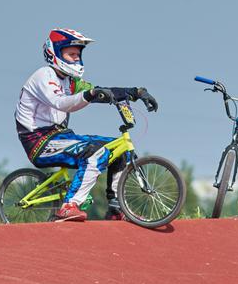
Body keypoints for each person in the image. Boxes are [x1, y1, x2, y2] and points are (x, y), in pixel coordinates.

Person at [15, 28, 158, 222]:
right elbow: (61, 103)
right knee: (94, 153)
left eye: (77, 55)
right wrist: (89, 96)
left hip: (61, 135)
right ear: (54, 53)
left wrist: (135, 92)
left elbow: (99, 91)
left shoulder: (71, 81)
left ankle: (117, 208)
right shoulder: (44, 76)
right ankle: (68, 206)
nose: (75, 59)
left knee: (119, 149)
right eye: (71, 54)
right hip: (40, 143)